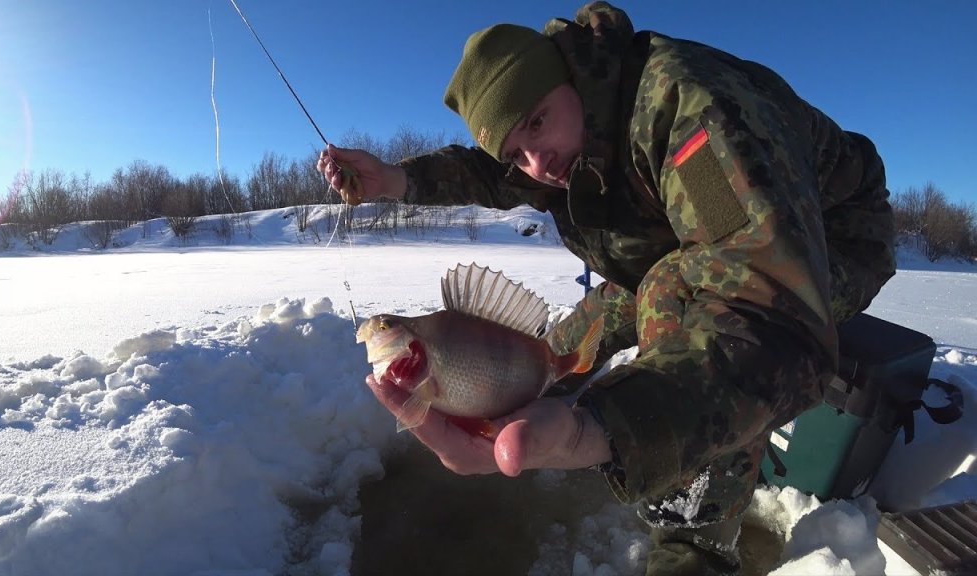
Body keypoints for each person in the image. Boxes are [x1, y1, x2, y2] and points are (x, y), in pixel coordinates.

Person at [318, 2, 895, 574]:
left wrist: (602, 429)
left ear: (567, 79)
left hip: (830, 242)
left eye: (538, 124)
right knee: (567, 344)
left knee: (672, 295)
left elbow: (764, 311)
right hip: (692, 240)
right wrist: (395, 179)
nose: (537, 163)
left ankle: (692, 540)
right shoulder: (569, 123)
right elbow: (493, 168)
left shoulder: (692, 116)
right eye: (517, 149)